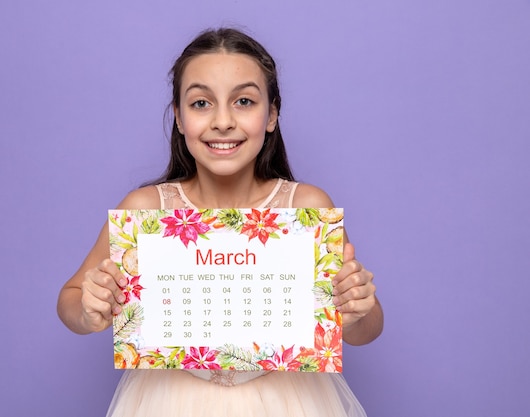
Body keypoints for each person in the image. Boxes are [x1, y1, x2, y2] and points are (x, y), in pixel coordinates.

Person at [57, 27, 383, 417]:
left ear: (272, 115)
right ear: (178, 117)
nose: (223, 121)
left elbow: (364, 330)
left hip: (291, 403)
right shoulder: (144, 211)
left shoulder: (306, 209)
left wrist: (357, 310)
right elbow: (71, 299)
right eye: (200, 104)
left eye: (244, 101)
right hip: (167, 403)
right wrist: (88, 310)